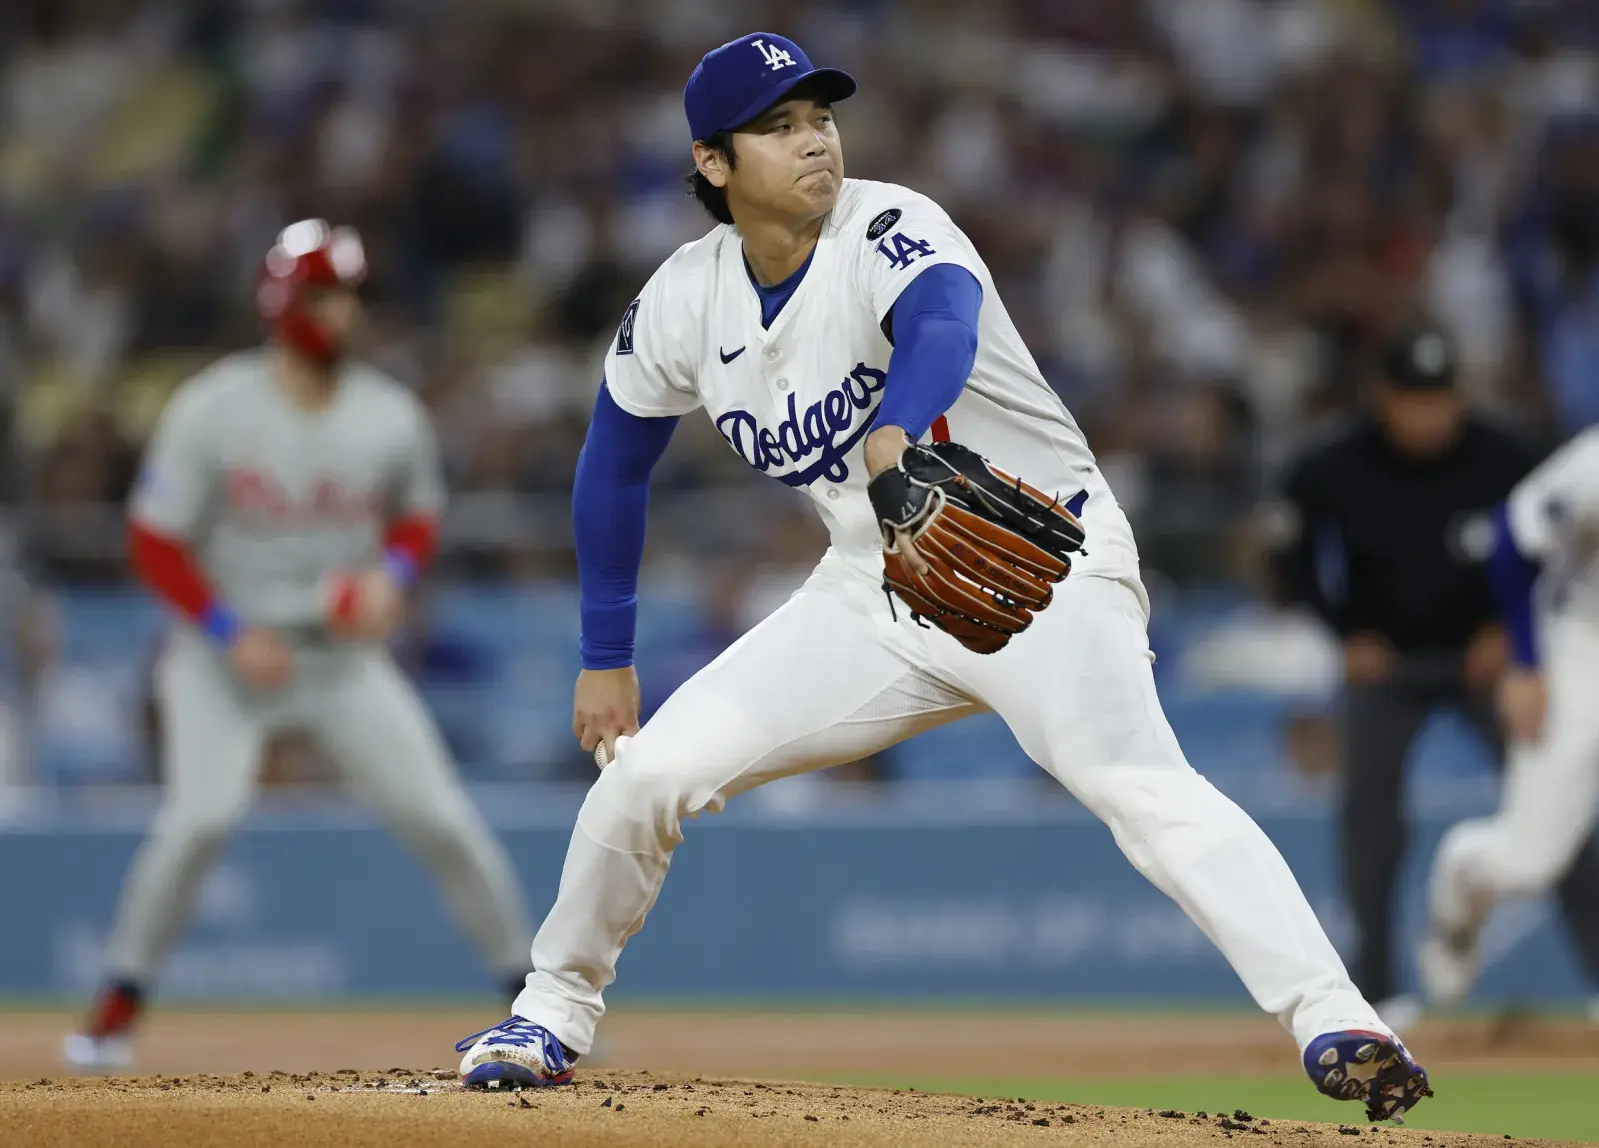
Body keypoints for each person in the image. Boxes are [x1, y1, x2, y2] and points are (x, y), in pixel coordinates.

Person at [455, 33, 1430, 1122]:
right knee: (645, 777)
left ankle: (1336, 1015)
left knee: (1133, 781)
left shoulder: (888, 223)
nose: (814, 140)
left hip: (1042, 561)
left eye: (820, 117)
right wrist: (605, 653)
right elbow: (611, 462)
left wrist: (897, 427)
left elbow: (940, 322)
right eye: (776, 127)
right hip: (872, 590)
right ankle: (549, 1010)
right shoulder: (687, 299)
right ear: (712, 163)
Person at [62, 220, 533, 1071]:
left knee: (443, 820)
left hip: (339, 657)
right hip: (222, 654)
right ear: (283, 301)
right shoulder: (213, 407)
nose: (342, 312)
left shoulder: (388, 414)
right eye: (325, 294)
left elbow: (418, 519)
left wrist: (392, 576)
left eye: (350, 295)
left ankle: (535, 1004)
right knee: (198, 822)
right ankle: (110, 1017)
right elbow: (154, 541)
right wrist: (225, 629)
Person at [1266, 324, 1599, 1031]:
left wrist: (1513, 640)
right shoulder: (1333, 463)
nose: (1430, 412)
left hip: (1487, 661)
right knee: (1370, 821)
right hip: (1385, 661)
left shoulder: (1503, 451)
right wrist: (1343, 631)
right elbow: (1286, 552)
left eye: (1441, 396)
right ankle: (1377, 991)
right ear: (1384, 397)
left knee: (1554, 817)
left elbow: (1538, 552)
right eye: (1415, 397)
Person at [1420, 426, 1599, 1014]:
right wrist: (1525, 661)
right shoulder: (1594, 463)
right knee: (1531, 859)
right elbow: (1514, 536)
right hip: (1582, 649)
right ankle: (1459, 879)